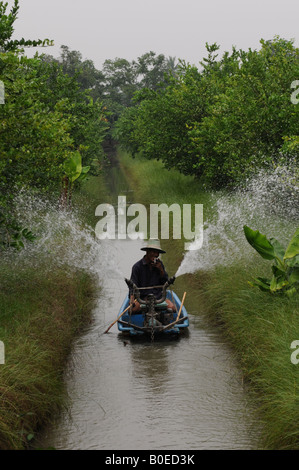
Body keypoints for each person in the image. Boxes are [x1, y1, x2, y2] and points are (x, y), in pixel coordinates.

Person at [129, 239, 176, 313]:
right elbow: (132, 286)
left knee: (172, 308)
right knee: (132, 311)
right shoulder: (137, 267)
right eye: (153, 252)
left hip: (158, 298)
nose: (156, 255)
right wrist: (132, 300)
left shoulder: (160, 264)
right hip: (143, 299)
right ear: (147, 252)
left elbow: (166, 283)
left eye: (157, 252)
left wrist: (161, 270)